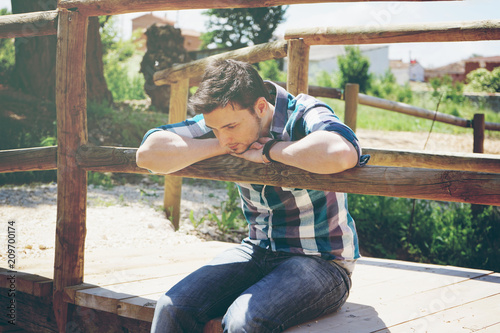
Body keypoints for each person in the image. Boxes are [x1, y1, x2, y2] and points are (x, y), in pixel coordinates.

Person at [136, 59, 369, 333]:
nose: (224, 137)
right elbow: (148, 154)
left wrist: (270, 151)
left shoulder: (304, 112)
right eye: (215, 129)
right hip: (256, 250)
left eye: (231, 128)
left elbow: (341, 151)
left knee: (242, 321)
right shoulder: (224, 116)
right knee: (171, 307)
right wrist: (221, 145)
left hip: (322, 263)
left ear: (260, 107)